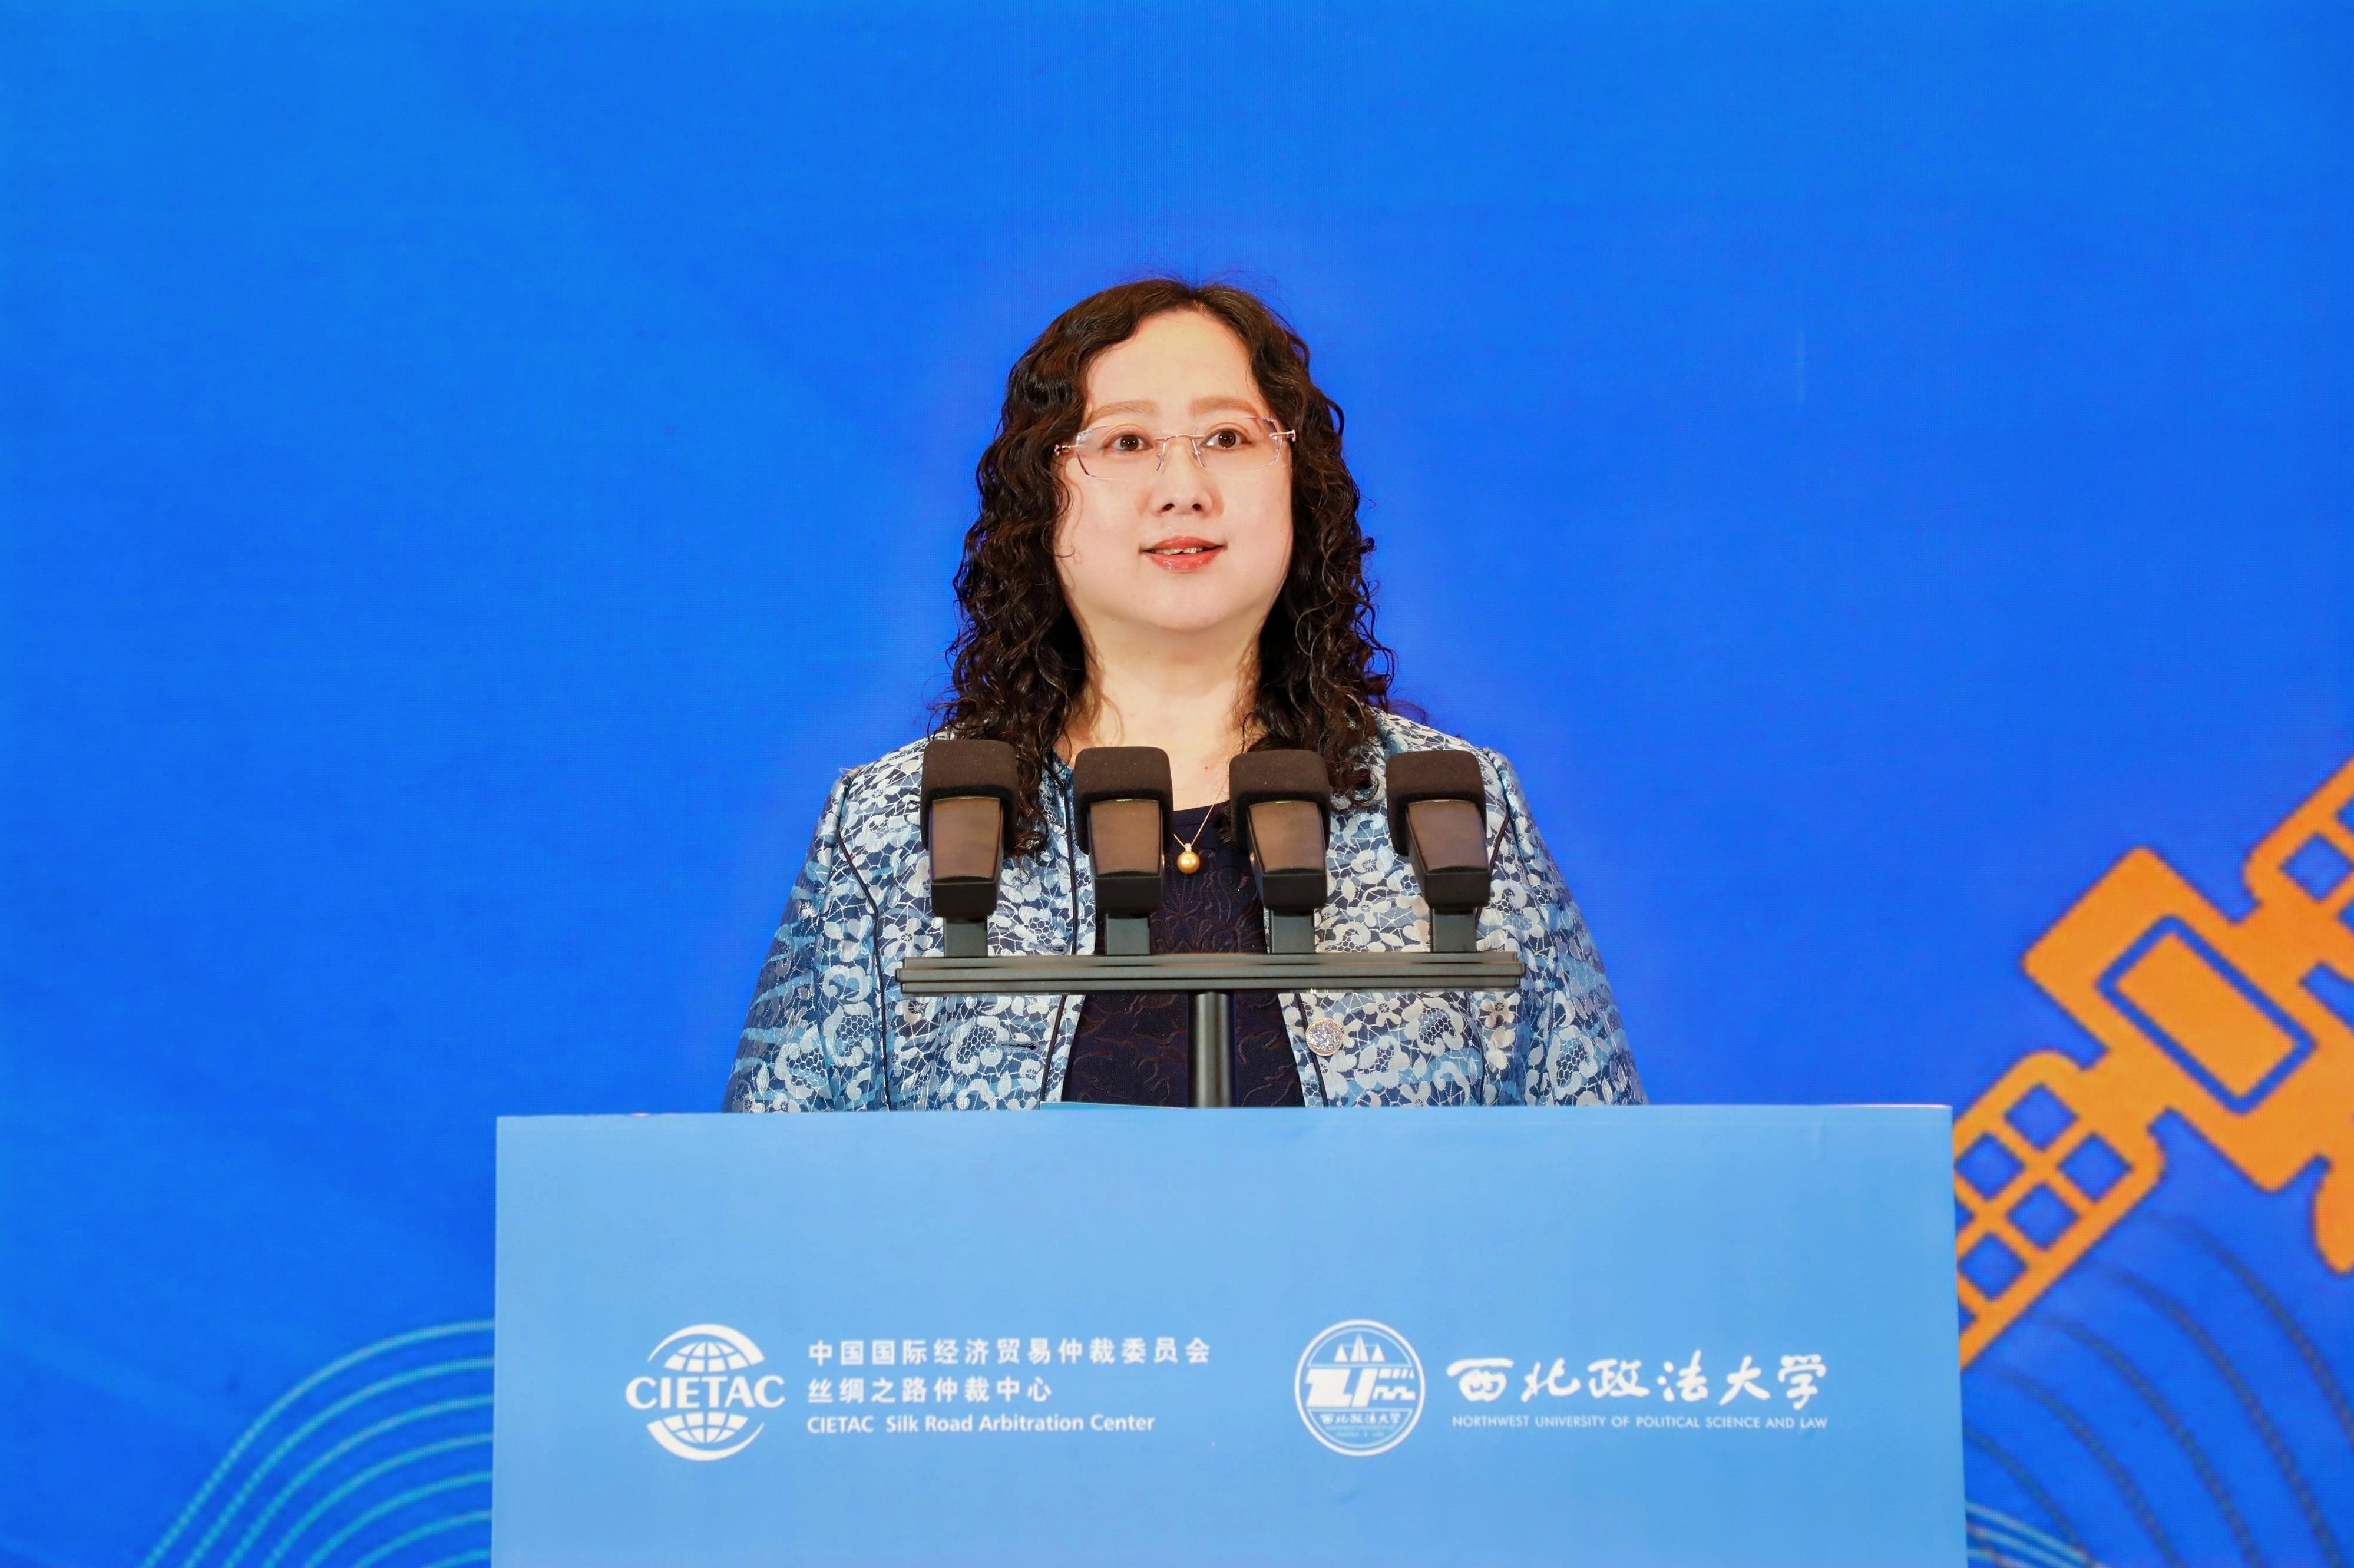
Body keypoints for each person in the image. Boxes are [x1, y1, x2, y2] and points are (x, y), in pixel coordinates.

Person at [723, 278, 1642, 1112]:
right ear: (1043, 496)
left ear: (1298, 482)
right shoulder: (896, 828)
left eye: (1228, 438)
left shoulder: (1448, 810)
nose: (1184, 488)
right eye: (1127, 442)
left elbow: (1599, 1176)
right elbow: (775, 1191)